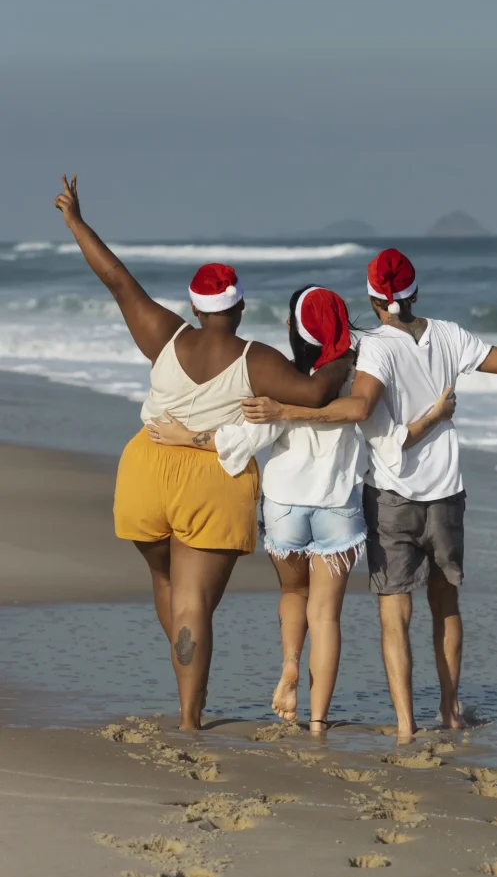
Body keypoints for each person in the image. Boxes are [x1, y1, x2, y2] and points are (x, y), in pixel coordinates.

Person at [240, 248, 497, 743]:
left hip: (390, 497)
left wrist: (284, 411)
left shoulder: (374, 349)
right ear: (415, 292)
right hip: (446, 493)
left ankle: (406, 725)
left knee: (394, 615)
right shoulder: (450, 336)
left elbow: (358, 408)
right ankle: (449, 711)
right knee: (445, 606)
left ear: (371, 296)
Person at [53, 176, 351, 731]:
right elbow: (315, 394)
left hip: (145, 468)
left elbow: (116, 279)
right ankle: (191, 718)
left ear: (194, 305)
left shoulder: (164, 335)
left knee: (166, 583)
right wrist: (344, 353)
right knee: (194, 604)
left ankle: (183, 686)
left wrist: (75, 221)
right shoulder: (254, 358)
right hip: (212, 475)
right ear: (239, 308)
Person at [148, 285, 457, 734]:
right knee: (326, 616)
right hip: (338, 508)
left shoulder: (285, 382)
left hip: (284, 507)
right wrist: (434, 416)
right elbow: (388, 441)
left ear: (296, 329)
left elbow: (246, 438)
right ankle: (316, 720)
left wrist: (187, 438)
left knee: (293, 595)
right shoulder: (356, 382)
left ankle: (290, 665)